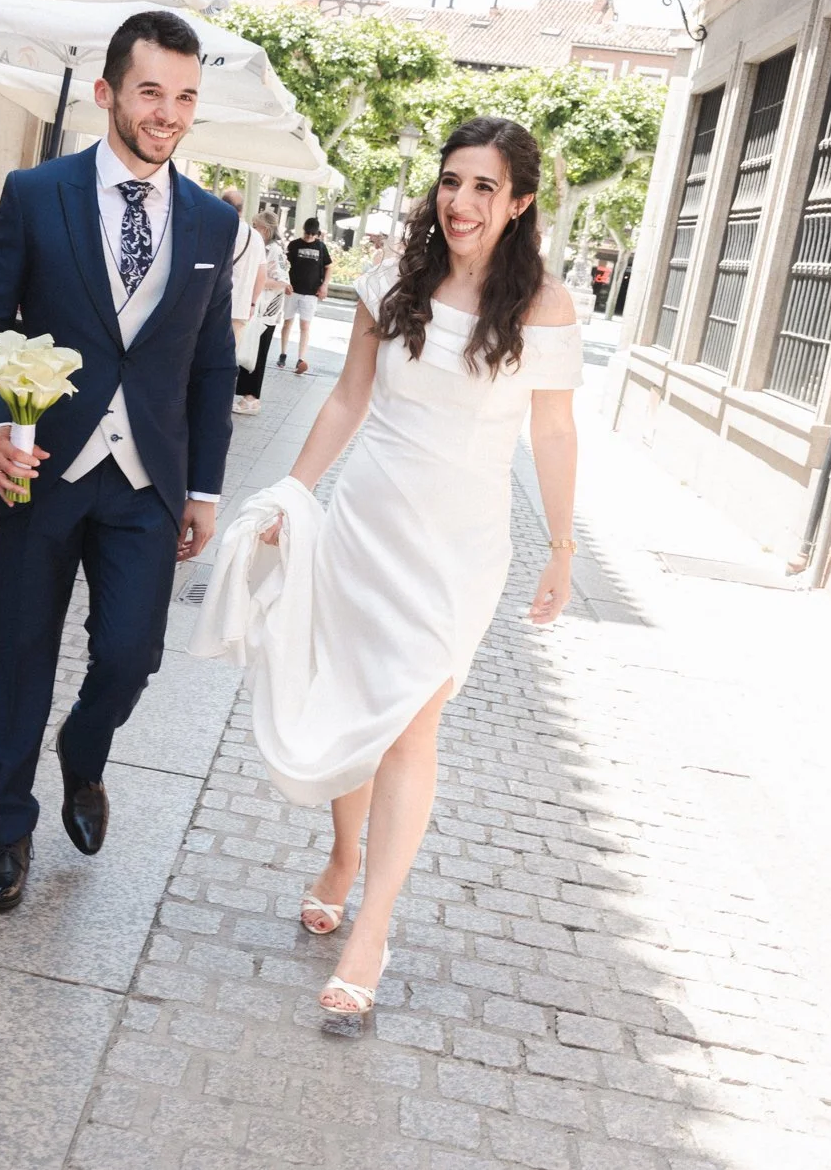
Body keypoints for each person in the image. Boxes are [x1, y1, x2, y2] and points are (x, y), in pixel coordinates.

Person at [214, 116, 580, 1017]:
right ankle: (344, 855)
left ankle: (372, 924)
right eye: (451, 181)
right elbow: (347, 399)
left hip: (461, 548)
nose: (461, 201)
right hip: (366, 527)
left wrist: (563, 549)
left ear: (520, 202)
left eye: (485, 187)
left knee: (414, 722)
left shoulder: (545, 308)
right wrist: (291, 495)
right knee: (355, 704)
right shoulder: (388, 284)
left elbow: (555, 429)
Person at [0, 10, 236, 913]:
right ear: (108, 91)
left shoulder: (211, 220)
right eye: (152, 91)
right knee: (19, 657)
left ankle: (85, 753)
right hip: (43, 469)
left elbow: (210, 359)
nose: (169, 113)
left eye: (186, 96)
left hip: (147, 482)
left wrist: (204, 490)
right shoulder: (38, 193)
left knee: (130, 654)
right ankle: (8, 830)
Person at [220, 187, 269, 418]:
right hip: (240, 307)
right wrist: (251, 304)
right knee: (230, 358)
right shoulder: (255, 236)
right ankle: (221, 401)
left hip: (212, 305)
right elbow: (262, 275)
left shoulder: (215, 227)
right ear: (241, 210)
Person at [234, 212, 282, 412]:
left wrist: (257, 280)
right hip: (261, 307)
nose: (253, 228)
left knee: (258, 353)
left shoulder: (273, 250)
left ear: (267, 229)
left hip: (266, 309)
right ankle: (247, 396)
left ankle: (252, 398)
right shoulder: (264, 246)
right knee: (250, 352)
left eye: (256, 225)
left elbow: (282, 282)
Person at [281, 217, 331, 374]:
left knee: (305, 326)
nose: (309, 236)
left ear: (317, 233)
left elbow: (329, 267)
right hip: (293, 290)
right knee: (287, 322)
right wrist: (284, 283)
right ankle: (283, 353)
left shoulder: (321, 247)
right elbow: (284, 265)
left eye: (312, 234)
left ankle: (300, 359)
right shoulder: (294, 245)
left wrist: (324, 285)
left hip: (311, 293)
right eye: (307, 233)